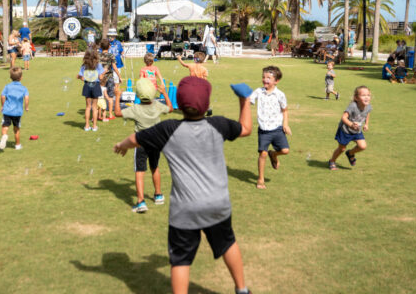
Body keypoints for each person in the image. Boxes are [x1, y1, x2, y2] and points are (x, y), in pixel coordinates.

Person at [113, 77, 253, 294]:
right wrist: (244, 100)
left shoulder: (167, 129)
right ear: (206, 105)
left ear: (179, 103)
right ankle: (242, 290)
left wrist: (120, 146)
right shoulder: (218, 124)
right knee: (227, 243)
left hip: (184, 210)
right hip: (217, 203)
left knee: (180, 260)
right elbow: (245, 128)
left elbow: (134, 138)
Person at [113, 78, 173, 213]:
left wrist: (117, 97)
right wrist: (164, 93)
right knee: (154, 167)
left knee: (140, 171)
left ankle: (140, 202)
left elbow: (117, 113)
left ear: (138, 94)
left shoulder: (135, 109)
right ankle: (158, 195)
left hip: (140, 143)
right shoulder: (157, 105)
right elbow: (170, 108)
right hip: (156, 143)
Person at [249, 65, 291, 189]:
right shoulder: (258, 92)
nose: (265, 79)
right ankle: (261, 179)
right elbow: (249, 101)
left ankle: (274, 154)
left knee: (285, 151)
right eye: (263, 77)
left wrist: (285, 124)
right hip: (263, 130)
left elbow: (285, 110)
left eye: (268, 77)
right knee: (262, 154)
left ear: (276, 81)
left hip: (277, 129)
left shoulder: (280, 95)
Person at [329, 86, 372, 170]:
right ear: (356, 98)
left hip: (357, 131)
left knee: (362, 146)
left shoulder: (368, 106)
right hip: (345, 130)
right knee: (342, 149)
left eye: (368, 95)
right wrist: (351, 124)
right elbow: (343, 117)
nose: (366, 97)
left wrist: (366, 124)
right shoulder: (353, 106)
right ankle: (332, 161)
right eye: (363, 95)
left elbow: (367, 113)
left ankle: (350, 153)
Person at [0, 67, 29, 151]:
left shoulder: (7, 87)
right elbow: (26, 98)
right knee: (16, 129)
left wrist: (3, 105)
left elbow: (2, 96)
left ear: (10, 77)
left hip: (7, 111)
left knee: (5, 126)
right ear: (21, 77)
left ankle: (4, 135)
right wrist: (26, 107)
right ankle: (17, 145)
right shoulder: (24, 88)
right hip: (17, 112)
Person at [78, 49, 105, 132]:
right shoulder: (98, 65)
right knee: (94, 107)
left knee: (88, 107)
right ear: (96, 56)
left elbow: (82, 78)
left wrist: (79, 77)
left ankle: (86, 126)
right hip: (96, 86)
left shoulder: (84, 66)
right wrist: (104, 73)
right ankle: (94, 126)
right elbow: (100, 78)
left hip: (87, 86)